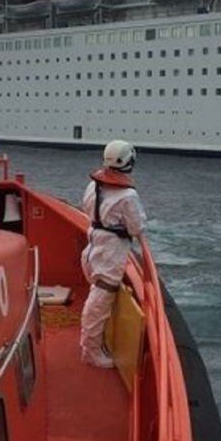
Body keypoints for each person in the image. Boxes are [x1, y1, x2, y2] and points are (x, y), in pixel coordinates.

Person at [79, 140, 146, 368]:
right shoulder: (127, 196)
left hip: (92, 249)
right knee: (98, 302)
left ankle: (95, 343)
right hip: (109, 256)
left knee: (96, 296)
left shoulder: (93, 186)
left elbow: (87, 208)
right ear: (129, 162)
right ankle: (91, 351)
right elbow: (136, 227)